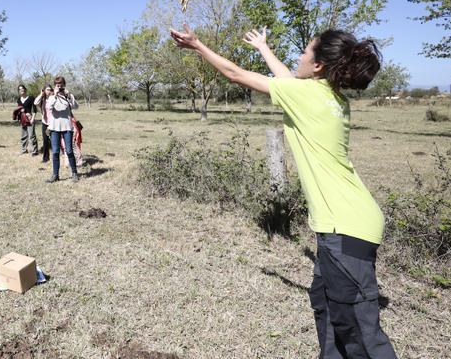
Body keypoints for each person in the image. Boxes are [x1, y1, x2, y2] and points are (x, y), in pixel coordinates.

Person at [170, 24, 397, 358]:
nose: (300, 56)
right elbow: (288, 81)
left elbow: (235, 74)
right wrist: (263, 48)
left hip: (345, 226)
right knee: (328, 311)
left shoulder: (307, 95)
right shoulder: (331, 97)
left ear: (318, 65)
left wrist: (197, 45)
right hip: (346, 222)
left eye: (305, 51)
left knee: (359, 334)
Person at [45, 76, 79, 183]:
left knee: (69, 151)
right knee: (55, 152)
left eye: (61, 85)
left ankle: (74, 173)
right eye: (57, 85)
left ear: (64, 85)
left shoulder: (68, 96)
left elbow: (76, 106)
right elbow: (49, 108)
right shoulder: (51, 97)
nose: (59, 87)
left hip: (67, 127)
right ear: (55, 86)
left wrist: (69, 96)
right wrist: (54, 95)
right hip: (54, 128)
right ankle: (55, 175)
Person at [15, 84, 38, 155]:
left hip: (29, 118)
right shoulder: (19, 99)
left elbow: (34, 109)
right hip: (22, 118)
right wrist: (19, 118)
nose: (21, 90)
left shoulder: (31, 98)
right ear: (18, 91)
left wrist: (32, 118)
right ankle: (24, 149)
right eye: (19, 89)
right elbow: (18, 110)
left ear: (25, 89)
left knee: (32, 135)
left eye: (22, 88)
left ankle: (35, 151)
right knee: (23, 135)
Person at [33, 85, 53, 163]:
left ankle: (59, 155)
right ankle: (46, 158)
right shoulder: (42, 100)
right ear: (44, 90)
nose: (49, 91)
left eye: (50, 90)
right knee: (45, 140)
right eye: (47, 90)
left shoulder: (53, 99)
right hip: (45, 122)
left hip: (53, 123)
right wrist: (41, 94)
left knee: (55, 140)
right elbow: (35, 102)